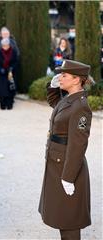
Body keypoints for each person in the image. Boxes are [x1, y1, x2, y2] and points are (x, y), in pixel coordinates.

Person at [39, 60, 94, 240]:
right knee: (62, 216)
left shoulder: (81, 107)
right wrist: (53, 87)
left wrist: (69, 177)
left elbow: (78, 145)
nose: (60, 78)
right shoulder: (69, 100)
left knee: (69, 220)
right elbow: (56, 106)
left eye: (64, 75)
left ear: (77, 80)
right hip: (57, 164)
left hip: (66, 168)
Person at [0, 38, 18, 110]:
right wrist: (0, 69)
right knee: (2, 90)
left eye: (6, 45)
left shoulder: (13, 52)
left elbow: (16, 62)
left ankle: (9, 104)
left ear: (9, 45)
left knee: (10, 89)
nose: (5, 47)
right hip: (2, 74)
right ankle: (3, 104)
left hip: (10, 73)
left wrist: (11, 69)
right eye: (4, 45)